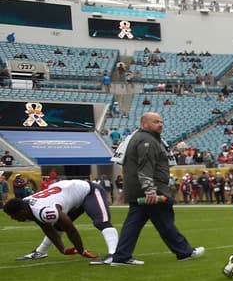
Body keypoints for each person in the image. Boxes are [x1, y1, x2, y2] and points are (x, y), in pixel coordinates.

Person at [111, 111, 204, 266]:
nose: (160, 124)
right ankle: (184, 251)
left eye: (161, 122)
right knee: (165, 220)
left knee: (133, 224)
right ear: (144, 124)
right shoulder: (147, 140)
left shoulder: (142, 138)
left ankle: (121, 256)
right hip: (150, 190)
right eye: (155, 122)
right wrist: (150, 190)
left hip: (138, 190)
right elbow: (145, 167)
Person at [5, 178, 118, 261]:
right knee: (58, 226)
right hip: (67, 192)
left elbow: (70, 229)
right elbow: (48, 229)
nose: (13, 218)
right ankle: (40, 252)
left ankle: (115, 254)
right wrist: (62, 250)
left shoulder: (44, 210)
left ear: (22, 211)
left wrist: (81, 250)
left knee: (101, 222)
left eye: (13, 215)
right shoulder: (27, 205)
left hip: (89, 191)